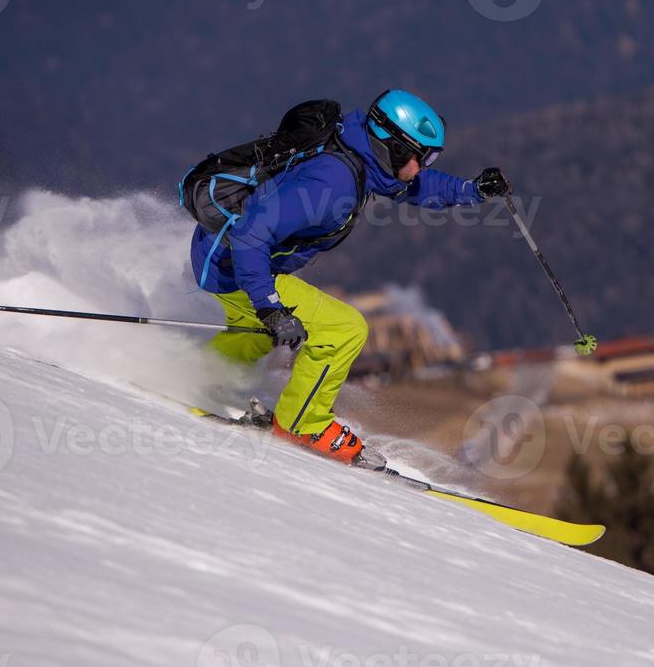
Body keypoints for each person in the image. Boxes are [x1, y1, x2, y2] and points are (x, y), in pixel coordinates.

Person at [189, 89, 510, 467]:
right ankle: (302, 423)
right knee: (344, 329)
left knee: (256, 337)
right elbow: (251, 234)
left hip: (221, 256)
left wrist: (471, 191)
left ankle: (197, 376)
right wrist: (269, 304)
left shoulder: (356, 149)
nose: (424, 166)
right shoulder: (332, 183)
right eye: (423, 156)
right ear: (392, 146)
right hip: (235, 264)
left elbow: (413, 186)